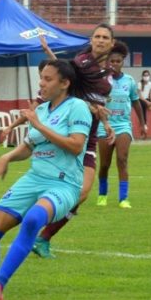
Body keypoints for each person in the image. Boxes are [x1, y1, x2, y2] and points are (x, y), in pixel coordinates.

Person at [0, 59, 94, 300]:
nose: (41, 83)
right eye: (41, 78)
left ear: (64, 83)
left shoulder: (77, 107)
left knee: (34, 218)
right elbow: (29, 147)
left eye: (48, 79)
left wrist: (37, 124)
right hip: (33, 179)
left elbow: (76, 146)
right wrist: (7, 156)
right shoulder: (43, 110)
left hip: (63, 184)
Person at [30, 26, 116, 259]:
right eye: (97, 36)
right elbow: (66, 83)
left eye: (105, 37)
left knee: (83, 193)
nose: (100, 40)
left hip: (89, 139)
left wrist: (106, 123)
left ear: (111, 43)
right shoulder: (82, 61)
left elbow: (98, 102)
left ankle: (42, 237)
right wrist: (49, 52)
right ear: (91, 40)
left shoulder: (107, 70)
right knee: (67, 190)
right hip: (71, 136)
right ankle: (37, 226)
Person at [96, 41, 146, 209]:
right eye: (112, 61)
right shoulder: (102, 80)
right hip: (105, 125)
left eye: (118, 61)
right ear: (108, 62)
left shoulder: (129, 81)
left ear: (123, 62)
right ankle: (102, 195)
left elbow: (136, 103)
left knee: (122, 160)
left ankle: (123, 198)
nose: (115, 64)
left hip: (123, 125)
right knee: (104, 164)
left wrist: (142, 124)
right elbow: (94, 101)